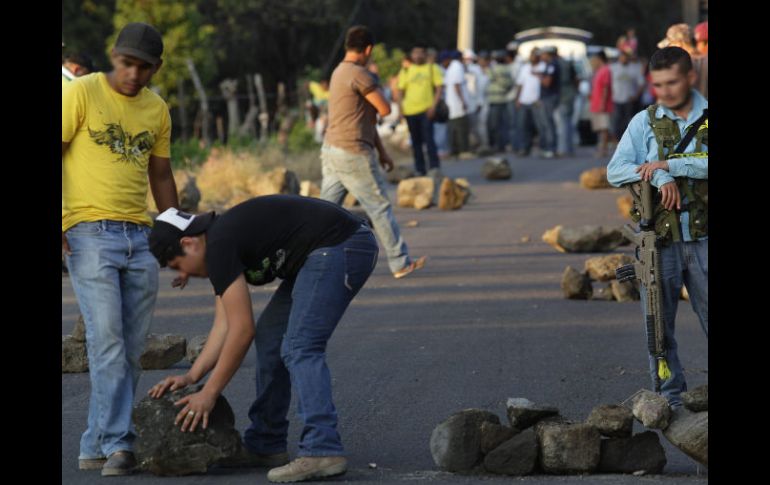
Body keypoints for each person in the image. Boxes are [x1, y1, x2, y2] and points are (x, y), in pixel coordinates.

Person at [146, 196, 378, 482]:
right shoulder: (218, 240)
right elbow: (225, 324)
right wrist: (192, 376)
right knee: (271, 338)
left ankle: (322, 449)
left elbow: (242, 331)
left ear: (188, 244)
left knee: (300, 345)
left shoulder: (219, 243)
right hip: (321, 253)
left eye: (176, 266)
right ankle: (266, 444)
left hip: (342, 245)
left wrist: (209, 393)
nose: (182, 276)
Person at [62, 22, 179, 476]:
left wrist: (173, 240)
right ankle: (119, 443)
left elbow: (162, 177)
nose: (133, 73)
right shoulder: (83, 92)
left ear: (156, 68)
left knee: (129, 349)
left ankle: (94, 443)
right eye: (126, 63)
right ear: (114, 57)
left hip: (141, 238)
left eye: (143, 67)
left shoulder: (158, 110)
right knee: (106, 340)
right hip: (89, 231)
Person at [607, 46, 708, 409]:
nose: (664, 91)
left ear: (690, 78)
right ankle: (670, 401)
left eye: (672, 82)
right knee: (659, 333)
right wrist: (657, 172)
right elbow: (615, 170)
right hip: (660, 242)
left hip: (704, 239)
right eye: (658, 84)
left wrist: (671, 165)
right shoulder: (643, 121)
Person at [320, 25, 426, 279]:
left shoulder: (338, 73)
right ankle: (400, 263)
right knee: (379, 208)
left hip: (332, 149)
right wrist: (375, 82)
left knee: (323, 212)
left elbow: (364, 118)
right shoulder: (359, 74)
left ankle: (302, 261)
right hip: (353, 152)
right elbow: (385, 109)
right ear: (368, 49)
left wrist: (383, 152)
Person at [397, 45, 443, 175]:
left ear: (424, 54)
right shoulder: (406, 70)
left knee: (429, 140)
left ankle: (434, 167)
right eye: (414, 53)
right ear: (411, 55)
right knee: (416, 142)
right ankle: (420, 169)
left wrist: (433, 106)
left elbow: (439, 88)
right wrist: (400, 110)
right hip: (410, 111)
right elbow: (400, 91)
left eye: (420, 53)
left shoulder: (432, 68)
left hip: (426, 110)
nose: (417, 56)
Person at [514, 48, 554, 157]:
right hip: (524, 101)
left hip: (537, 101)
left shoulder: (543, 67)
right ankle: (524, 148)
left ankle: (543, 148)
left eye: (536, 55)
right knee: (523, 126)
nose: (533, 57)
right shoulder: (525, 68)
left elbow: (546, 84)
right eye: (532, 55)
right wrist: (517, 99)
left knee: (540, 126)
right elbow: (520, 84)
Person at [441, 49, 473, 158]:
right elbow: (457, 85)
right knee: (461, 129)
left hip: (452, 103)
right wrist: (463, 101)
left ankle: (455, 151)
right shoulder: (457, 66)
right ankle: (464, 151)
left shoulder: (450, 68)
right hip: (457, 104)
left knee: (454, 129)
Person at [610, 48, 645, 140]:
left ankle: (628, 139)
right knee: (617, 120)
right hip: (616, 98)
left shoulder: (634, 68)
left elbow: (641, 83)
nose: (623, 59)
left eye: (625, 58)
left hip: (629, 99)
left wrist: (636, 96)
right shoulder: (613, 68)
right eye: (622, 57)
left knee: (628, 120)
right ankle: (617, 139)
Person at [485, 50, 514, 153]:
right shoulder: (507, 69)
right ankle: (502, 144)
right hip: (503, 99)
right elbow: (510, 83)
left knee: (494, 125)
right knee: (502, 124)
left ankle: (497, 145)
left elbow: (488, 79)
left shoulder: (493, 70)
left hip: (495, 100)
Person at [589, 50, 613, 158]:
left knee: (604, 127)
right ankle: (601, 148)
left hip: (602, 104)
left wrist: (603, 103)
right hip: (596, 103)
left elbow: (605, 87)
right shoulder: (599, 70)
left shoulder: (606, 70)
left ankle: (603, 149)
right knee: (600, 128)